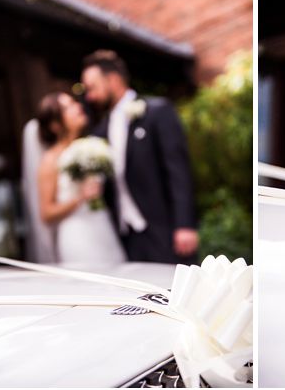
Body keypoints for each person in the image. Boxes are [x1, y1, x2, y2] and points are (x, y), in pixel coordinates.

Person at [82, 50, 199, 264]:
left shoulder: (157, 111)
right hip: (125, 236)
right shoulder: (100, 132)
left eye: (92, 87)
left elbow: (177, 169)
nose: (89, 96)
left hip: (165, 229)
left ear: (113, 80)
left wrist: (185, 224)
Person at [36, 92, 125, 263]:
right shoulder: (50, 160)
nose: (78, 107)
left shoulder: (91, 146)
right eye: (68, 107)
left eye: (74, 103)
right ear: (55, 125)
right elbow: (46, 213)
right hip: (77, 235)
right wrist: (80, 198)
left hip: (103, 227)